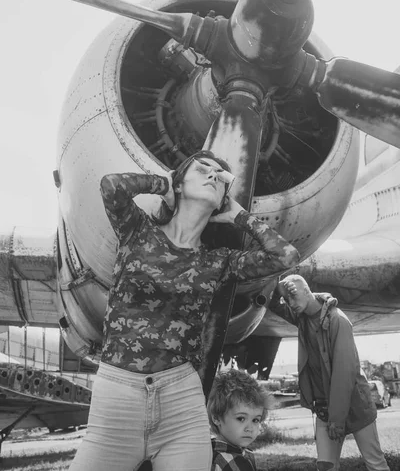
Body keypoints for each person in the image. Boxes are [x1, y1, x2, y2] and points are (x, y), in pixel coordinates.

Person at [69, 150, 299, 471]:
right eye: (203, 168)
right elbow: (111, 186)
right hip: (118, 395)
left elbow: (285, 256)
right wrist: (163, 183)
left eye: (222, 177)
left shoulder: (218, 261)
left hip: (181, 398)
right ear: (179, 183)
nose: (213, 175)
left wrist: (239, 215)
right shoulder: (138, 230)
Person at [270, 274, 389, 471]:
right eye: (287, 299)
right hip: (324, 409)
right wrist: (278, 288)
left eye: (294, 297)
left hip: (355, 405)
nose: (290, 304)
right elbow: (274, 305)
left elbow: (344, 373)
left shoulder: (338, 320)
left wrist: (337, 419)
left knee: (375, 463)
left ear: (308, 292)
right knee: (325, 466)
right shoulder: (301, 316)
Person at [208, 368, 271, 471]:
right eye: (241, 418)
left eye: (255, 420)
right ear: (216, 417)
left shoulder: (209, 450)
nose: (249, 428)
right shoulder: (230, 461)